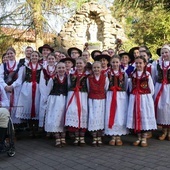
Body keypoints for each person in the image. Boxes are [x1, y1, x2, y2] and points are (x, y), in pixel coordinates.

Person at [127, 56, 157, 147]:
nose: (138, 65)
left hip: (145, 99)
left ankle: (144, 138)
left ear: (144, 64)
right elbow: (130, 86)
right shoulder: (132, 74)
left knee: (144, 116)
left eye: (140, 63)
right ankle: (139, 137)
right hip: (134, 98)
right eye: (137, 63)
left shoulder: (147, 74)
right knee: (136, 117)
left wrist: (145, 97)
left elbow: (151, 89)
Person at [16, 51, 42, 137]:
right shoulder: (25, 66)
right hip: (27, 89)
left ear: (38, 57)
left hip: (37, 89)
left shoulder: (41, 67)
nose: (34, 57)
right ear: (30, 57)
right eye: (33, 56)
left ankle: (36, 128)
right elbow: (21, 78)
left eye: (36, 56)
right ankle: (31, 129)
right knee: (29, 106)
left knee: (37, 106)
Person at [105, 56, 129, 146]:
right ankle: (112, 135)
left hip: (121, 96)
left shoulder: (124, 73)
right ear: (110, 63)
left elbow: (126, 85)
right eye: (113, 62)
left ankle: (118, 135)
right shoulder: (107, 73)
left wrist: (122, 93)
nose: (115, 64)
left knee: (119, 114)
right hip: (110, 95)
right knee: (111, 113)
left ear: (120, 63)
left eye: (116, 62)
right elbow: (105, 86)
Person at [65, 57, 89, 146]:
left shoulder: (87, 75)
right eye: (77, 63)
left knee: (83, 113)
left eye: (81, 63)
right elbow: (68, 85)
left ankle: (82, 137)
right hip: (73, 96)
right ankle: (76, 136)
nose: (79, 65)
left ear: (85, 64)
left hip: (83, 95)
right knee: (74, 112)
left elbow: (88, 87)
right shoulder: (71, 74)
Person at [45, 62, 68, 147]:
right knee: (56, 118)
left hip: (64, 100)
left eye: (63, 68)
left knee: (62, 118)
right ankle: (57, 138)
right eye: (59, 68)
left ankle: (63, 137)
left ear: (65, 69)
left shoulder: (68, 78)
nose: (61, 70)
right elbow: (48, 90)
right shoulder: (52, 78)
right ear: (56, 69)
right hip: (54, 100)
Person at [87, 61, 109, 146]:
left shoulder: (105, 78)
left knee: (100, 117)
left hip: (101, 100)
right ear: (92, 69)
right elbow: (88, 89)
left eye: (98, 67)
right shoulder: (89, 78)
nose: (96, 69)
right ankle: (94, 137)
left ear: (101, 68)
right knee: (93, 118)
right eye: (94, 68)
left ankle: (99, 137)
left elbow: (106, 89)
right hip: (92, 100)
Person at [0, 47, 22, 124]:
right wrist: (5, 86)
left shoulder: (19, 64)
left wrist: (12, 86)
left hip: (16, 89)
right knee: (7, 105)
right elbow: (0, 77)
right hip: (6, 89)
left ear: (15, 54)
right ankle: (6, 125)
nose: (10, 55)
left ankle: (15, 127)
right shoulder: (3, 65)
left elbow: (20, 78)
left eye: (11, 53)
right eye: (8, 53)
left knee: (15, 106)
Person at [154, 45, 170, 141]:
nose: (164, 54)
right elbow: (155, 76)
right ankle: (164, 131)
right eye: (162, 53)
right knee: (162, 109)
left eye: (166, 52)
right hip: (160, 88)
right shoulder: (158, 64)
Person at [39, 53, 57, 128]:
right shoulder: (44, 70)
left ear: (55, 59)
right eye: (49, 59)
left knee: (53, 111)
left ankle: (53, 128)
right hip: (45, 93)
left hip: (55, 92)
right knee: (45, 110)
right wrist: (45, 94)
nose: (51, 60)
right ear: (47, 59)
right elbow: (41, 83)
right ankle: (45, 128)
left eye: (52, 59)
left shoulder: (57, 69)